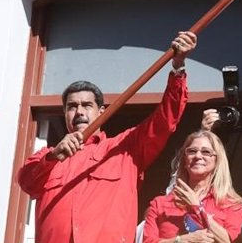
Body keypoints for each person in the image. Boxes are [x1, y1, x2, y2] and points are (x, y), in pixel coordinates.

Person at [18, 31, 197, 243]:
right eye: (72, 107)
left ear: (101, 111)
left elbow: (164, 120)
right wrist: (54, 156)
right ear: (64, 113)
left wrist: (178, 68)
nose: (79, 112)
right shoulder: (47, 157)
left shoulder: (125, 148)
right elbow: (26, 182)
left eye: (87, 105)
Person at [143, 130, 242, 243]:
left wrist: (197, 208)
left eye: (206, 152)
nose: (198, 156)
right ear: (184, 160)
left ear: (217, 161)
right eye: (192, 151)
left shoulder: (231, 204)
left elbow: (232, 241)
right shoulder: (159, 204)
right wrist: (181, 240)